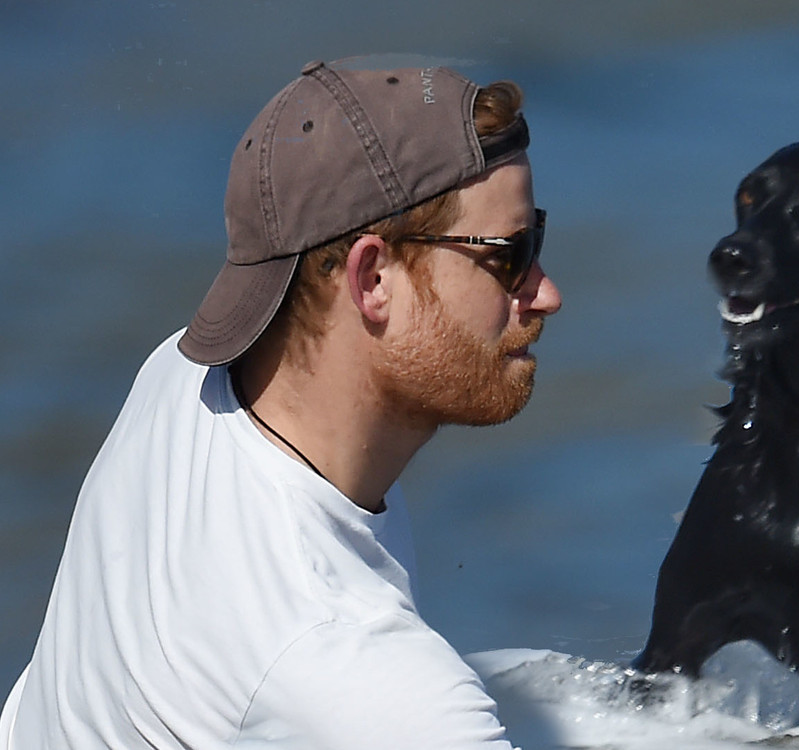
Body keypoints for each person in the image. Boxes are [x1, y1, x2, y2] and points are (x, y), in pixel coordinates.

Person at [1, 58, 561, 748]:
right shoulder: (356, 669)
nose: (545, 292)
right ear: (373, 277)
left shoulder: (177, 377)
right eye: (511, 253)